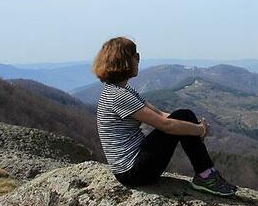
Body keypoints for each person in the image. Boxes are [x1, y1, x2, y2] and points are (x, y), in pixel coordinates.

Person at [91, 36, 236, 196]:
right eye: (136, 56)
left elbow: (160, 114)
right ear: (125, 60)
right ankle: (206, 176)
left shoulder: (121, 90)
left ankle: (206, 174)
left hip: (134, 165)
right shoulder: (119, 96)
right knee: (183, 116)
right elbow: (164, 125)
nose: (139, 60)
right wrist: (198, 130)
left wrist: (192, 125)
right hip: (133, 172)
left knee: (184, 115)